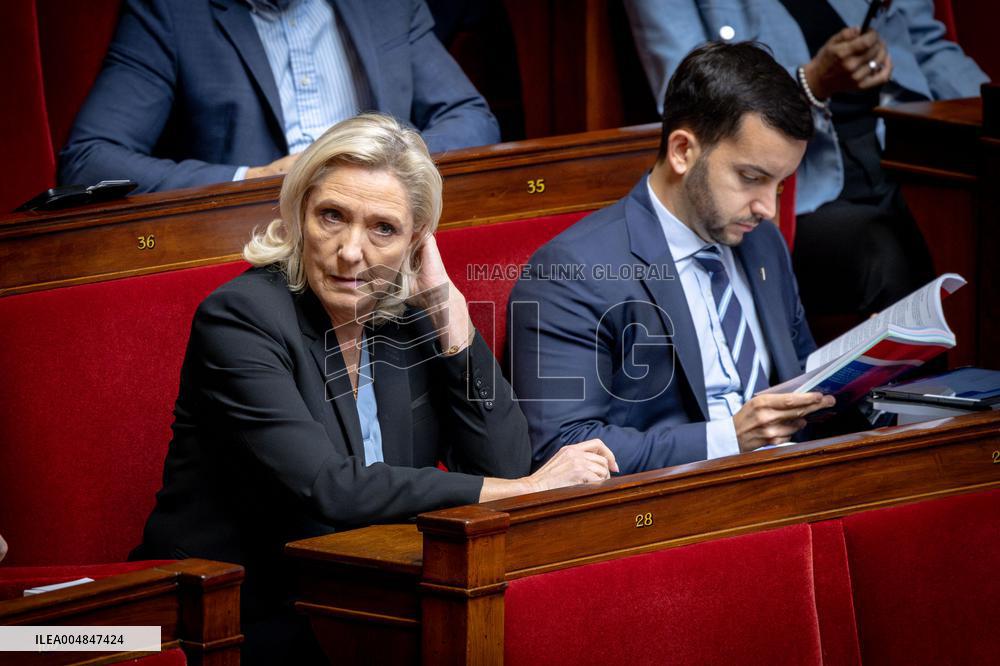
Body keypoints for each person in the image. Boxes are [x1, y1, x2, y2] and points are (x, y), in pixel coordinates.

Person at [132, 113, 616, 664]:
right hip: (233, 617)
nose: (350, 252)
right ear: (296, 217)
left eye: (383, 228)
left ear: (416, 242)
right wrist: (527, 492)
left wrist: (454, 326)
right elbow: (330, 488)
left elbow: (504, 460)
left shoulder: (406, 318)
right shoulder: (240, 318)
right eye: (332, 217)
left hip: (366, 599)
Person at [506, 42, 836, 475]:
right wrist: (729, 439)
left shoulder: (763, 244)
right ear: (683, 151)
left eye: (779, 184)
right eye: (751, 178)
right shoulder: (572, 271)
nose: (767, 208)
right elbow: (562, 444)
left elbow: (803, 376)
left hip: (795, 480)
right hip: (671, 511)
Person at [625, 0, 989, 320]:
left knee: (977, 229)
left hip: (911, 155)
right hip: (797, 187)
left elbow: (928, 47)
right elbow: (690, 101)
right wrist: (811, 83)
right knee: (885, 249)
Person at [59, 0, 501, 194]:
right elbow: (90, 159)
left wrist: (388, 164)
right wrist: (252, 179)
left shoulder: (385, 4)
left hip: (384, 250)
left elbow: (472, 117)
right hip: (245, 253)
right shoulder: (172, 11)